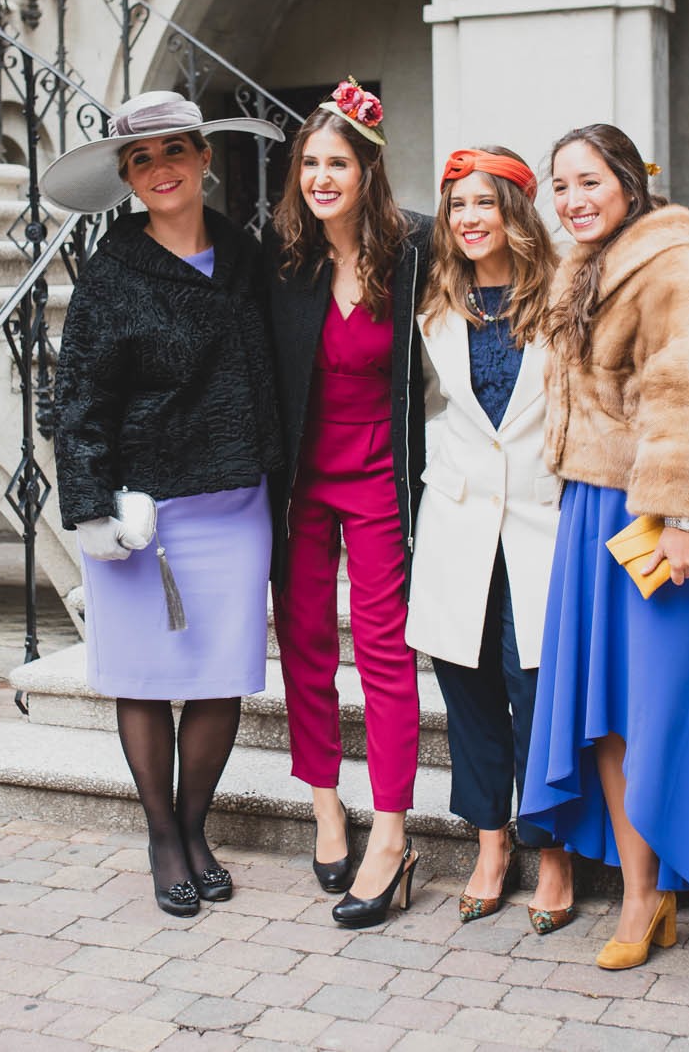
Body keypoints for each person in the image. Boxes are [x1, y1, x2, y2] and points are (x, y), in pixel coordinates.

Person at [520, 123, 689, 971]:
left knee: (678, 710)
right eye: (560, 185)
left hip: (668, 514)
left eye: (588, 180)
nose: (572, 199)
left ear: (628, 180)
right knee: (617, 718)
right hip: (598, 512)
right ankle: (641, 890)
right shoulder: (584, 268)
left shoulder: (675, 268)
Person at [44, 90, 285, 918]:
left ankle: (195, 824)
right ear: (126, 175)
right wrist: (91, 507)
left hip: (236, 500)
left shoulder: (248, 258)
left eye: (175, 150)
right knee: (145, 680)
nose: (161, 170)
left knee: (221, 677)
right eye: (141, 159)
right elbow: (76, 400)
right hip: (141, 510)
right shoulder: (110, 274)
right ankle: (162, 837)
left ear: (204, 156)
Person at [267, 78, 431, 928]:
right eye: (310, 163)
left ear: (367, 170)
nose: (321, 177)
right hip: (302, 483)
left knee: (384, 650)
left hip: (378, 479)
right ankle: (326, 803)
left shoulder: (415, 252)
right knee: (302, 641)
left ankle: (394, 830)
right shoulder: (284, 259)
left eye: (337, 163)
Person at [404, 146, 577, 933]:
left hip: (543, 522)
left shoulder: (565, 296)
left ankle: (552, 853)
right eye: (457, 205)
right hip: (458, 524)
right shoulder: (431, 302)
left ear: (516, 211)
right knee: (468, 688)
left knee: (538, 691)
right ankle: (490, 845)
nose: (470, 218)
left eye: (486, 202)